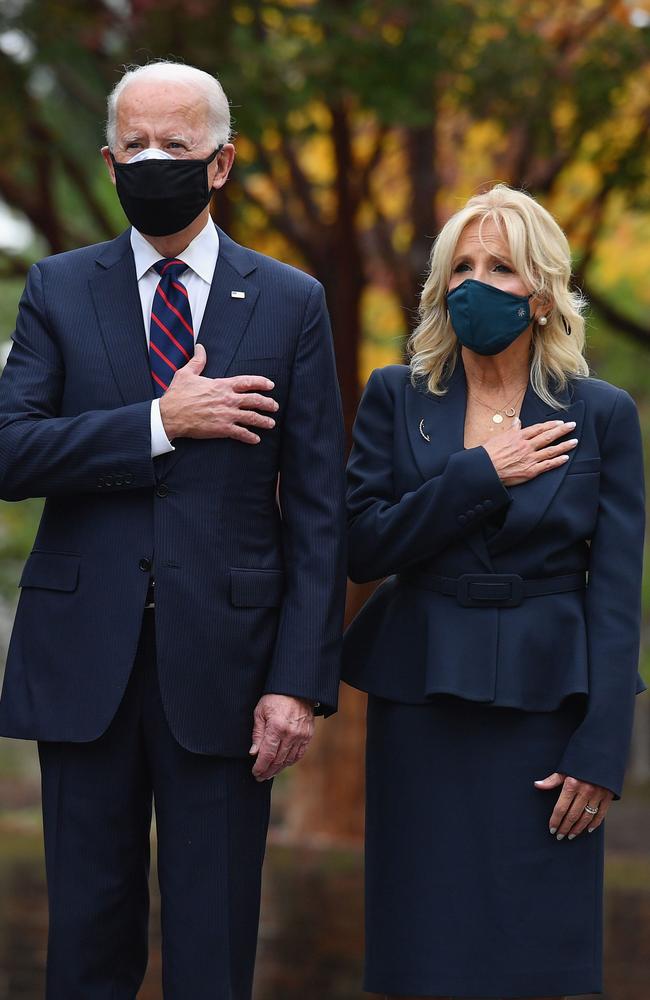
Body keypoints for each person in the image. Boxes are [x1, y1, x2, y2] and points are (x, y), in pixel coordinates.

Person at [0, 60, 346, 999]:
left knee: (212, 948)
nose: (155, 159)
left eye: (177, 145)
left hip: (231, 675)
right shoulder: (58, 290)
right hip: (83, 665)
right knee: (85, 946)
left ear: (222, 162)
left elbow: (319, 511)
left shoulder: (290, 302)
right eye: (136, 145)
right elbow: (11, 454)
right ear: (110, 160)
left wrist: (299, 683)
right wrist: (161, 422)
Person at [342, 184, 645, 1000]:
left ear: (540, 293)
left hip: (549, 713)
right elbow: (363, 547)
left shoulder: (602, 414)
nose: (475, 283)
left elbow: (615, 598)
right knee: (423, 944)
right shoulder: (395, 395)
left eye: (500, 267)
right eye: (461, 266)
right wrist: (480, 475)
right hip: (422, 696)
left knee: (537, 950)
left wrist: (603, 751)